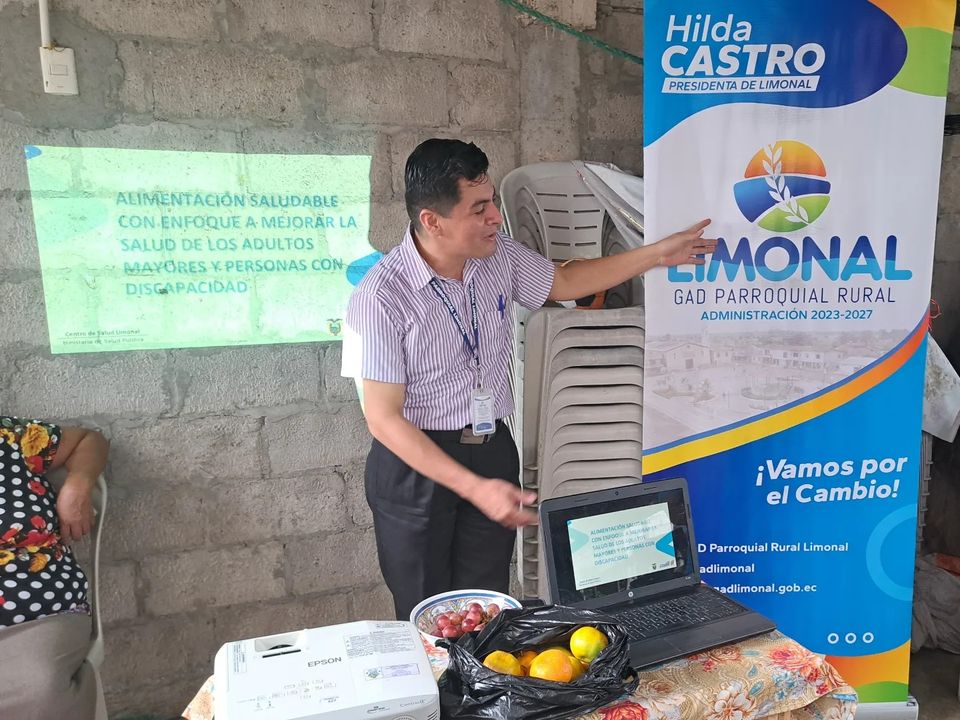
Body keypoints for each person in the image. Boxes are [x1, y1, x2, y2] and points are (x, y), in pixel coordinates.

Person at [346, 139, 715, 619]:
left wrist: (658, 254)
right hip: (416, 467)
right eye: (479, 208)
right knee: (430, 618)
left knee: (488, 612)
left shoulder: (496, 256)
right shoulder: (380, 296)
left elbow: (565, 282)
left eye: (492, 202)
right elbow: (383, 419)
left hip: (490, 449)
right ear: (433, 221)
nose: (495, 218)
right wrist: (473, 487)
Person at [0, 416, 109, 720]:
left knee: (39, 687)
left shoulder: (10, 437)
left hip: (38, 612)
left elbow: (89, 440)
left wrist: (78, 483)